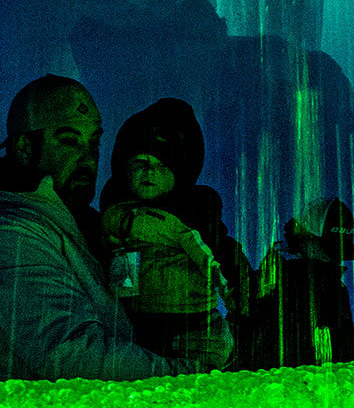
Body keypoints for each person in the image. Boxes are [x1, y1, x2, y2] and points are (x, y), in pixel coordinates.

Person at [0, 74, 178, 385]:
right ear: (24, 147)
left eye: (94, 141)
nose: (88, 157)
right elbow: (74, 355)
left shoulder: (83, 228)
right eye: (69, 140)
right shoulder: (2, 236)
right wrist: (191, 375)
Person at [98, 100, 255, 359]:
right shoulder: (113, 215)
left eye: (162, 165)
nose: (150, 171)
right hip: (134, 326)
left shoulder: (196, 216)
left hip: (190, 325)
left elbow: (218, 255)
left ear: (180, 173)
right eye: (140, 162)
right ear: (123, 168)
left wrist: (237, 295)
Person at [248, 197, 354, 369]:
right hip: (295, 389)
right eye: (329, 249)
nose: (334, 258)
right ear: (305, 238)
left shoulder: (331, 286)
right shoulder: (289, 286)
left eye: (339, 252)